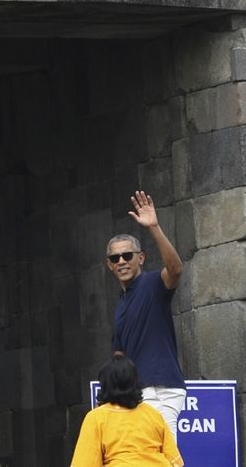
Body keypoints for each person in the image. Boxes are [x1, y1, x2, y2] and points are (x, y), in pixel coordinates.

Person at [107, 191, 186, 442]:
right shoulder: (120, 306)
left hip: (161, 388)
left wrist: (154, 227)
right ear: (109, 264)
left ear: (140, 258)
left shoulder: (152, 284)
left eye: (127, 255)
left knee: (162, 457)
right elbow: (118, 356)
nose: (121, 261)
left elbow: (175, 269)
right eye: (114, 258)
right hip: (136, 394)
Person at [70, 354, 184, 467]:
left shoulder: (96, 417)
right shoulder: (153, 414)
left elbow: (85, 463)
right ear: (135, 382)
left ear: (104, 384)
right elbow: (175, 461)